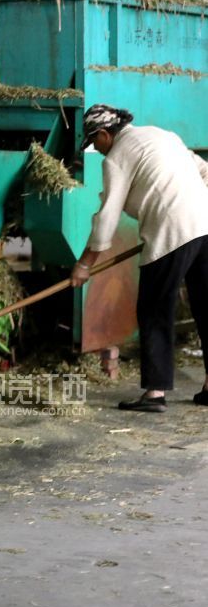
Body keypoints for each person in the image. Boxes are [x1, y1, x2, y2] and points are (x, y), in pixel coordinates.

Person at [71, 104, 208, 412]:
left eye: (96, 142)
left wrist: (84, 265)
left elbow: (107, 217)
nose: (98, 150)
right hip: (205, 225)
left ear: (105, 134)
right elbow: (204, 170)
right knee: (205, 305)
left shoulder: (117, 156)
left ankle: (155, 394)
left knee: (154, 308)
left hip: (171, 232)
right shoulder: (163, 136)